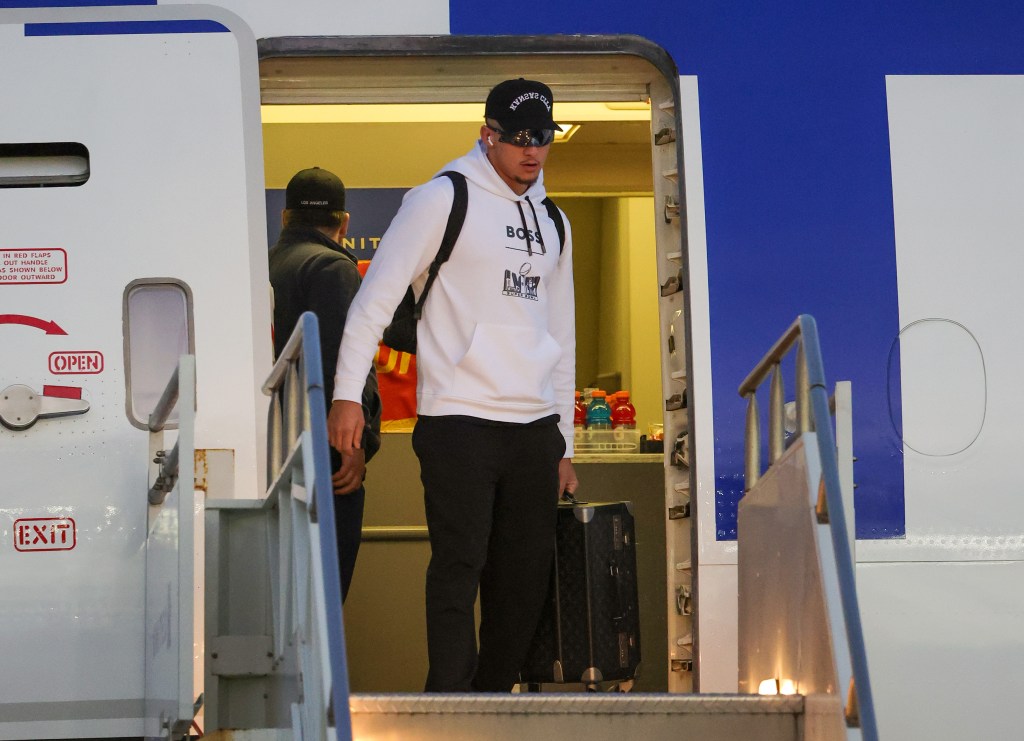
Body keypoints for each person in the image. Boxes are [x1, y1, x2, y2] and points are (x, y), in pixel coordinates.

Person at [329, 79, 579, 692]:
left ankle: (492, 705)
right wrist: (344, 396)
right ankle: (448, 704)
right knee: (458, 570)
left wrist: (565, 441)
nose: (531, 152)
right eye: (518, 138)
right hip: (458, 420)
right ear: (486, 134)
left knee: (521, 581)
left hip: (533, 428)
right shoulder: (441, 199)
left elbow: (562, 335)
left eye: (542, 138)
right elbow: (372, 304)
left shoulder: (554, 221)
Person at [269, 166, 382, 603]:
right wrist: (351, 447)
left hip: (275, 450)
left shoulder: (266, 264)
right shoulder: (332, 267)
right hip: (326, 457)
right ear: (345, 222)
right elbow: (341, 363)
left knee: (286, 594)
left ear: (284, 218)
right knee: (324, 599)